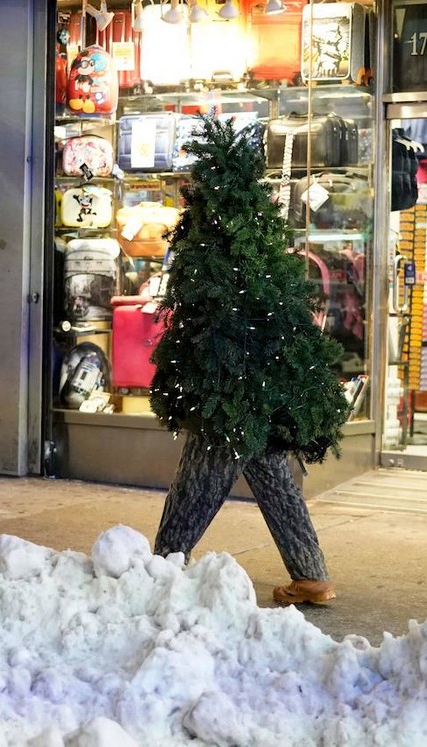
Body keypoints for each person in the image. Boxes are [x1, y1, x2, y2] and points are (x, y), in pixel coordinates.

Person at [148, 116, 351, 605]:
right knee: (272, 475)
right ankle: (311, 576)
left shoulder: (213, 251)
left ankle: (164, 564)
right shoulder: (258, 245)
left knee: (202, 476)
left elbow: (207, 321)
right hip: (262, 389)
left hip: (230, 393)